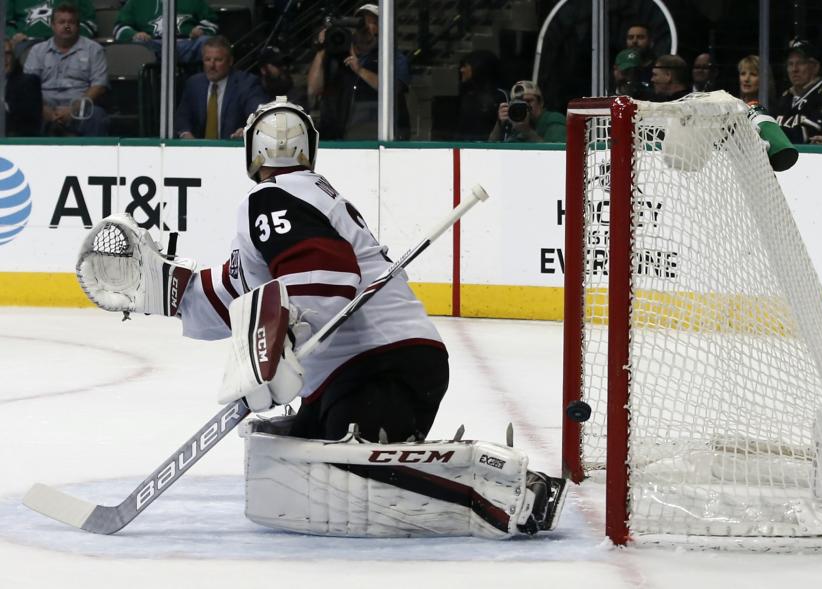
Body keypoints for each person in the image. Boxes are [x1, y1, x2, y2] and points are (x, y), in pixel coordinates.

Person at [76, 96, 568, 539]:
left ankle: (504, 486)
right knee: (290, 453)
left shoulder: (270, 199)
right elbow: (241, 290)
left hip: (377, 363)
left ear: (252, 153)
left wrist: (273, 345)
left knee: (347, 468)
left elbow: (327, 280)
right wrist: (170, 291)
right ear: (308, 149)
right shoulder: (299, 202)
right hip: (381, 364)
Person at [306, 3, 411, 140]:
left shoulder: (392, 57)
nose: (365, 28)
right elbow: (313, 90)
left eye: (372, 22)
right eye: (360, 22)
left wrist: (360, 70)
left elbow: (394, 89)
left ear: (382, 28)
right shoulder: (336, 56)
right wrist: (323, 49)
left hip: (376, 138)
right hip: (337, 138)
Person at [22, 3, 108, 136]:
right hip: (44, 106)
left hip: (79, 105)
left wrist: (73, 109)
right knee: (24, 111)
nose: (66, 26)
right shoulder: (37, 51)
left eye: (71, 22)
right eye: (61, 22)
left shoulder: (94, 49)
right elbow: (27, 86)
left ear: (78, 26)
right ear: (52, 25)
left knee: (97, 116)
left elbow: (99, 85)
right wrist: (42, 109)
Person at [174, 36, 268, 139]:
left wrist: (247, 129)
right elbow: (182, 117)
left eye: (218, 60)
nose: (212, 65)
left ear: (230, 61)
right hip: (198, 150)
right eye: (207, 60)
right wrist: (185, 133)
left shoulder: (247, 83)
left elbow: (258, 114)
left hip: (233, 151)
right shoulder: (194, 84)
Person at [112, 0, 218, 63]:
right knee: (139, 44)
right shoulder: (135, 2)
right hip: (153, 45)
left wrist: (200, 30)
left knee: (206, 42)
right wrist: (135, 34)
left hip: (187, 43)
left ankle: (201, 89)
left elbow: (211, 21)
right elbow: (119, 28)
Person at [771, 39, 822, 144]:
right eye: (790, 64)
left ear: (815, 67)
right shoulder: (785, 97)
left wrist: (770, 136)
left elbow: (810, 134)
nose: (794, 69)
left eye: (800, 63)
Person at [6, 0, 97, 61]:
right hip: (26, 44)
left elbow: (89, 23)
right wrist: (13, 35)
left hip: (66, 43)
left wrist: (69, 34)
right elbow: (5, 23)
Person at [488, 80, 566, 143]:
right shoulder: (514, 119)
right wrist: (499, 124)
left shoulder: (553, 120)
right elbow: (489, 151)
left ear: (541, 102)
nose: (525, 106)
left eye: (528, 101)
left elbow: (555, 154)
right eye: (518, 102)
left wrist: (526, 131)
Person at [456, 49, 501, 141]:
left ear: (478, 67)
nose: (461, 70)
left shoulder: (500, 97)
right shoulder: (467, 97)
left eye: (465, 66)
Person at [4, 38, 43, 136]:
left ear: (13, 57)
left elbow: (28, 125)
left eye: (7, 54)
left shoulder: (27, 83)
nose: (4, 59)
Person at [258, 45, 309, 112]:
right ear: (263, 70)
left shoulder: (298, 96)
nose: (284, 68)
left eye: (286, 64)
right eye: (278, 64)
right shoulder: (254, 94)